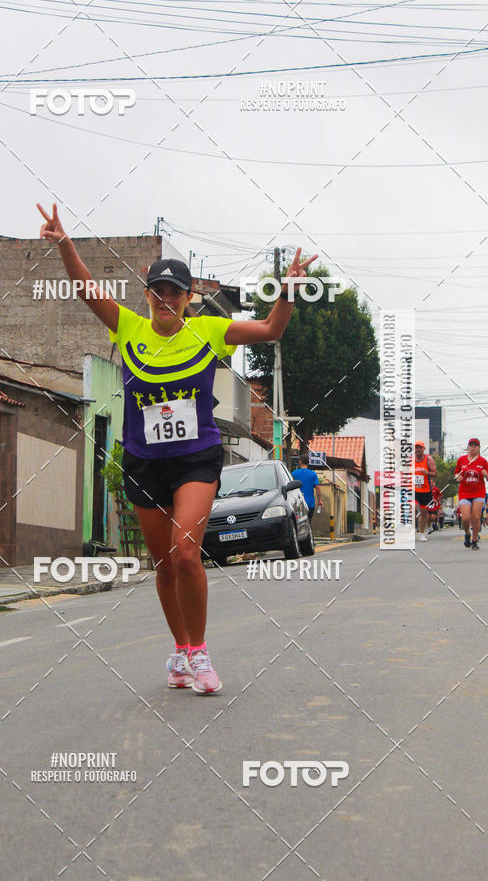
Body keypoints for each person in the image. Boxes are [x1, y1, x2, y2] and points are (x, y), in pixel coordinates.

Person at [38, 203, 317, 693]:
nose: (166, 298)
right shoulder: (128, 329)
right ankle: (182, 651)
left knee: (187, 554)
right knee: (164, 565)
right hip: (144, 462)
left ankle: (202, 652)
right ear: (148, 295)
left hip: (197, 458)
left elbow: (271, 331)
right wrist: (65, 245)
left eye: (175, 292)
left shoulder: (210, 331)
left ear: (189, 297)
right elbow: (86, 291)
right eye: (158, 291)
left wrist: (288, 294)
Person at [454, 437, 488, 550]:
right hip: (465, 492)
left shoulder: (483, 461)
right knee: (465, 518)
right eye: (471, 445)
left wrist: (485, 474)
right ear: (468, 447)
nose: (473, 447)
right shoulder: (462, 460)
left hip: (479, 492)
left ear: (478, 448)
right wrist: (458, 477)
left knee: (476, 517)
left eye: (475, 445)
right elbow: (456, 473)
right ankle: (467, 534)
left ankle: (474, 541)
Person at [414, 440, 437, 542]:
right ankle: (412, 529)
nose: (418, 450)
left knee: (424, 512)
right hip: (413, 489)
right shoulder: (410, 459)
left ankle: (421, 533)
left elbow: (435, 473)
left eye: (420, 448)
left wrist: (426, 472)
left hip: (425, 490)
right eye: (417, 448)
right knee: (411, 508)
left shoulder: (429, 459)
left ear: (423, 449)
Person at [292, 454, 323, 524]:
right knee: (308, 523)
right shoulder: (313, 474)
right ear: (308, 462)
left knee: (298, 524)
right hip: (310, 504)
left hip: (297, 504)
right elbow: (317, 488)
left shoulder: (294, 474)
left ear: (300, 462)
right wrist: (320, 500)